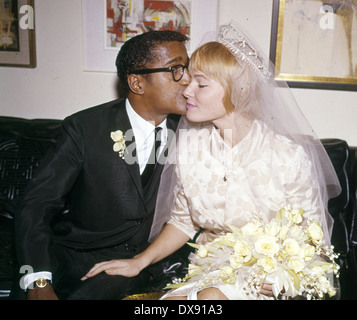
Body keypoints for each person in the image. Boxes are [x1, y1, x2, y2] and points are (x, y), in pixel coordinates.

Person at [82, 21, 341, 300]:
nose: (187, 91)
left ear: (237, 91)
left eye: (201, 84)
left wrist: (285, 277)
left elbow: (315, 241)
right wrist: (139, 261)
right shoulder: (190, 144)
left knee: (211, 300)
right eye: (189, 79)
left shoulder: (288, 156)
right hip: (211, 270)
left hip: (267, 280)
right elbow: (183, 221)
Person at [12, 30, 190, 300]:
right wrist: (38, 281)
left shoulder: (194, 130)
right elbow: (37, 203)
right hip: (77, 256)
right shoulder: (84, 129)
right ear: (137, 83)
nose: (187, 79)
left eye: (187, 67)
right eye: (176, 69)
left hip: (148, 262)